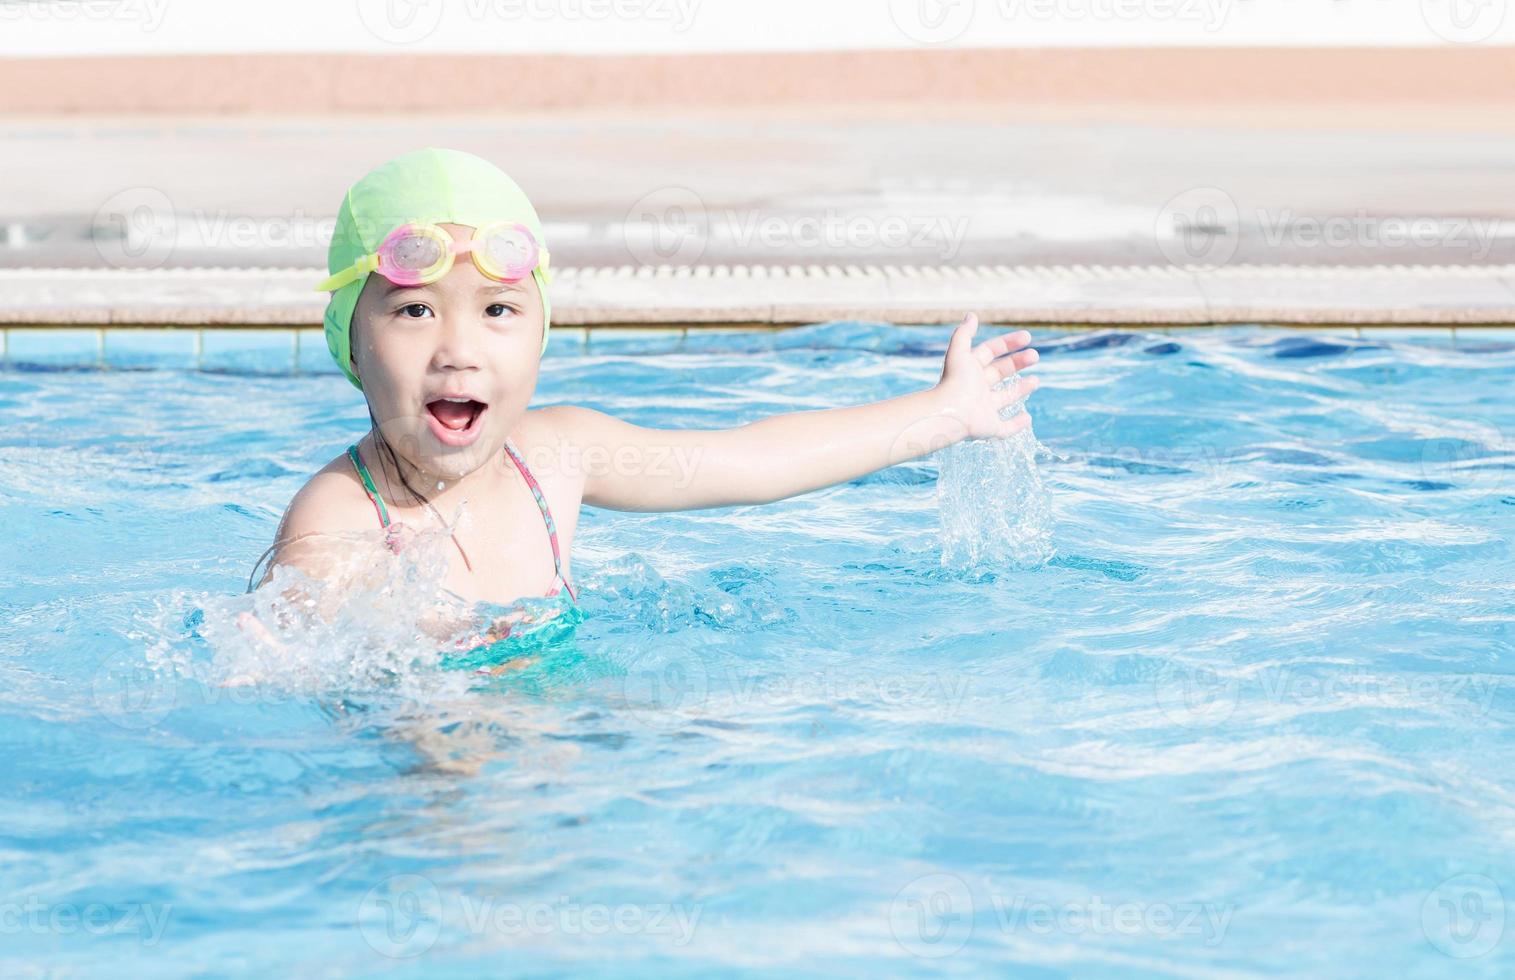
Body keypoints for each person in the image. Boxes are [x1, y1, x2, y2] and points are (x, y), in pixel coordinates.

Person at [251, 147, 1040, 654]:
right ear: (348, 342)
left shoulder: (555, 457)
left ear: (540, 337)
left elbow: (752, 460)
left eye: (498, 311)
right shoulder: (338, 517)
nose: (458, 348)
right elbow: (296, 669)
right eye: (415, 309)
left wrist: (945, 411)